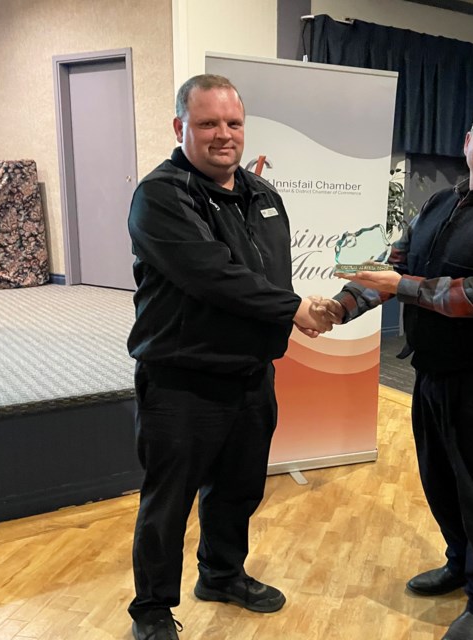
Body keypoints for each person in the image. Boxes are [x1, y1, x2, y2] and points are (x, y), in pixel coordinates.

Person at [319, 97, 473, 640]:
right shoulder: (441, 201)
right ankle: (461, 564)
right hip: (434, 374)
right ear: (467, 141)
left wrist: (403, 289)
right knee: (442, 484)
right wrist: (340, 307)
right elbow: (394, 263)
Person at [126, 74, 332, 640]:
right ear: (180, 128)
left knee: (239, 489)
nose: (223, 135)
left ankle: (221, 574)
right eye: (208, 123)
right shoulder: (161, 196)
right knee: (168, 503)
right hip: (181, 380)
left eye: (233, 123)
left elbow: (265, 277)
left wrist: (286, 315)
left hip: (250, 376)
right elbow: (213, 275)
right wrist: (294, 309)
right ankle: (151, 611)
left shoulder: (264, 197)